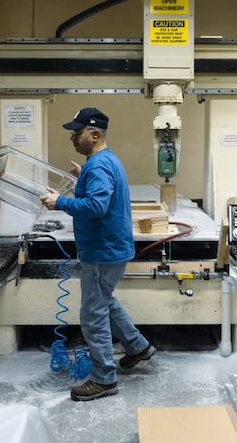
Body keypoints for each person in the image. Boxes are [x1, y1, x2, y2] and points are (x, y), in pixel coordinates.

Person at [40, 107, 155, 401]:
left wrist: (60, 202)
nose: (72, 138)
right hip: (111, 249)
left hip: (102, 252)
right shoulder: (102, 161)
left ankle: (104, 379)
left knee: (92, 315)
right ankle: (138, 346)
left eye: (76, 133)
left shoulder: (99, 166)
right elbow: (99, 196)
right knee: (103, 302)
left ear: (94, 134)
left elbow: (96, 207)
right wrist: (82, 180)